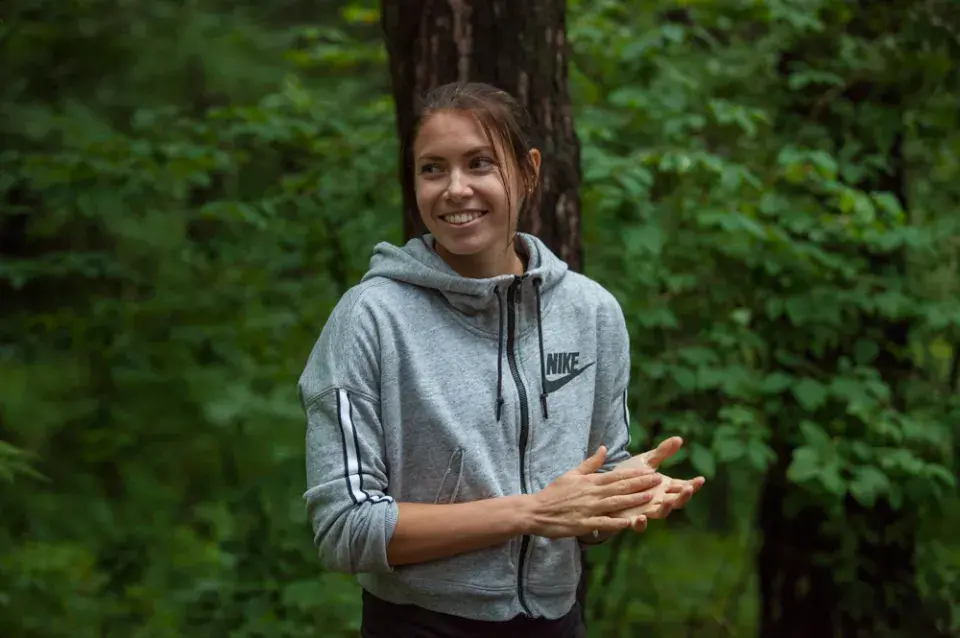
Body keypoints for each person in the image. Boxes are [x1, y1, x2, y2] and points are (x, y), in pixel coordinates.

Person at [298, 81, 705, 638]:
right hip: (419, 625)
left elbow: (580, 504)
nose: (456, 189)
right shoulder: (371, 319)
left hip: (558, 621)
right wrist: (532, 511)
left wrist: (616, 498)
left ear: (528, 170)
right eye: (432, 169)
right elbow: (345, 529)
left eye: (480, 163)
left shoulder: (591, 311)